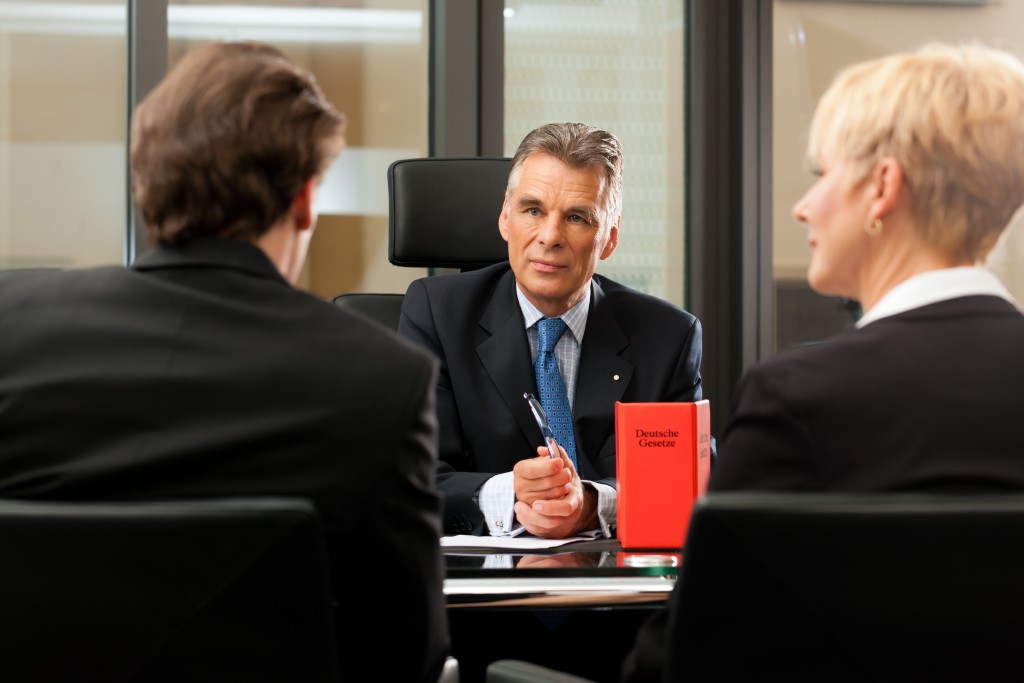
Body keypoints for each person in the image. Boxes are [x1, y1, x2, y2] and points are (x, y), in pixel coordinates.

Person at [0, 42, 448, 683]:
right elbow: (407, 654)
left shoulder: (10, 329)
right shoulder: (382, 378)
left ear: (146, 183)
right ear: (302, 203)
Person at [622, 42, 1024, 682]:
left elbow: (682, 665)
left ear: (882, 188)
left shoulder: (798, 397)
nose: (803, 207)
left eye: (821, 174)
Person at [398, 122, 706, 539]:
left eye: (577, 218)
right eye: (532, 210)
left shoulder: (668, 336)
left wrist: (593, 504)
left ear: (609, 238)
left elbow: (687, 484)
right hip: (480, 592)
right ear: (505, 218)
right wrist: (509, 494)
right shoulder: (436, 314)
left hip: (619, 590)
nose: (550, 237)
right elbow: (411, 477)